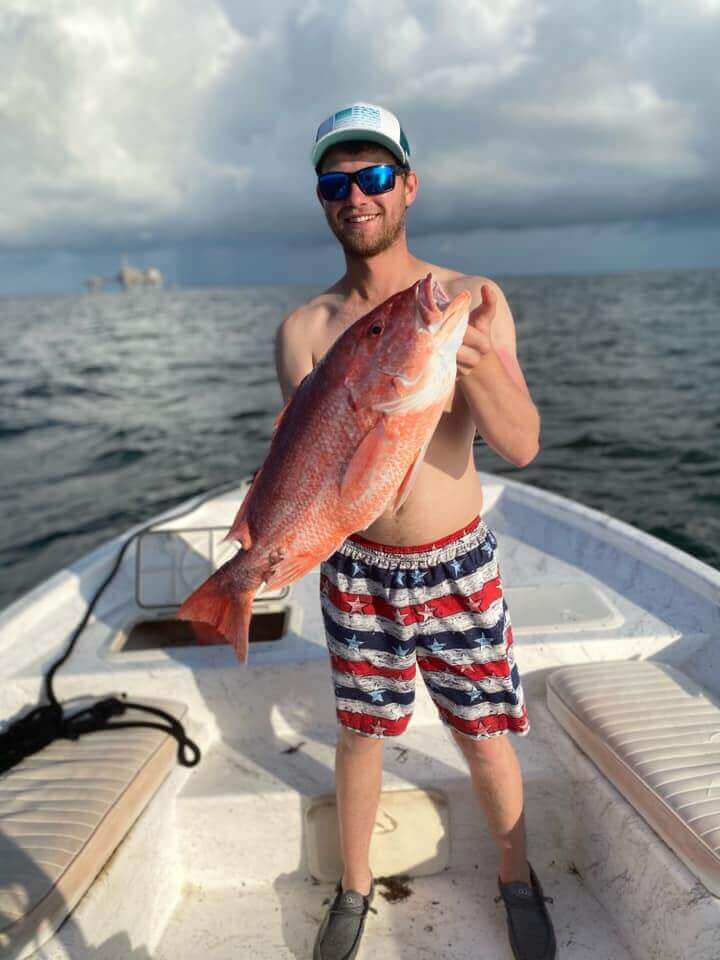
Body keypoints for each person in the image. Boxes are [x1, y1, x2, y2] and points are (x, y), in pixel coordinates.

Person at [274, 102, 556, 960]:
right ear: (323, 200)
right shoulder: (304, 330)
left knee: (486, 732)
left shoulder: (467, 302)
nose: (355, 194)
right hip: (358, 566)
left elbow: (522, 443)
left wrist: (475, 364)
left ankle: (516, 876)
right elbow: (312, 462)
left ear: (409, 186)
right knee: (360, 733)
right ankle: (354, 889)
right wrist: (276, 548)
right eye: (336, 181)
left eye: (375, 176)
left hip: (456, 563)